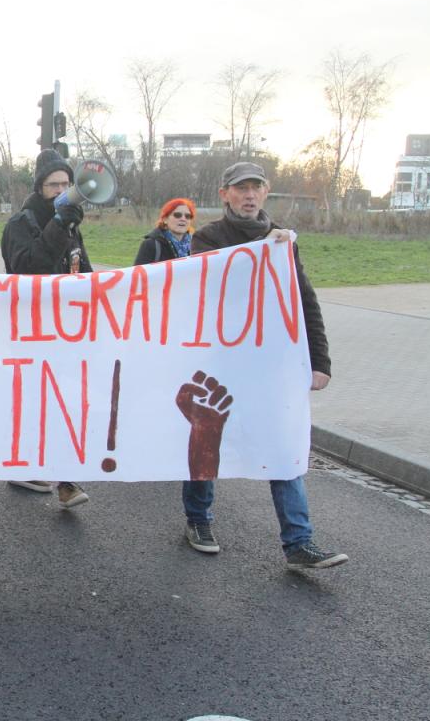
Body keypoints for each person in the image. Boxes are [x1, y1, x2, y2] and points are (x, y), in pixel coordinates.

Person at [186, 162, 347, 569]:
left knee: (283, 442)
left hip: (270, 366)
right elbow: (210, 291)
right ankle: (198, 520)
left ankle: (298, 540)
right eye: (241, 189)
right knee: (208, 438)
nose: (249, 195)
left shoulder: (283, 243)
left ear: (266, 192)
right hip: (219, 363)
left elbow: (304, 301)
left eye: (256, 188)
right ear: (225, 194)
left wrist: (320, 360)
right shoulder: (207, 239)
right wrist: (259, 254)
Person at [0, 149, 91, 509]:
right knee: (35, 401)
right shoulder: (20, 223)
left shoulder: (70, 225)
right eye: (54, 185)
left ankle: (66, 479)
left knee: (65, 401)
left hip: (66, 328)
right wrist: (57, 226)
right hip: (31, 329)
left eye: (66, 184)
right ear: (40, 188)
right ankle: (22, 463)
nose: (61, 190)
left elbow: (80, 267)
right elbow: (25, 268)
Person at [134, 198, 195, 266]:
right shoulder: (151, 245)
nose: (183, 219)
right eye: (177, 215)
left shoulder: (196, 245)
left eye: (188, 216)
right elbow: (139, 274)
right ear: (165, 219)